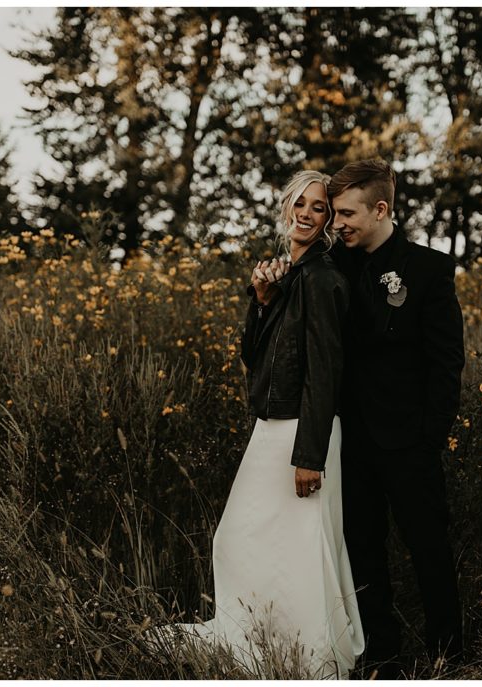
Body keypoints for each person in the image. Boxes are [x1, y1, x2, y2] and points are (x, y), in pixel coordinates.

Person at [143, 170, 364, 679]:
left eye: (320, 210)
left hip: (301, 432)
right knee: (247, 540)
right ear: (286, 207)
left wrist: (308, 457)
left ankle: (311, 655)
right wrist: (261, 301)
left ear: (328, 222)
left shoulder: (325, 279)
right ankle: (264, 640)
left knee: (297, 543)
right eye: (301, 204)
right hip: (273, 424)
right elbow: (254, 356)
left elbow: (326, 371)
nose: (308, 214)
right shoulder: (289, 274)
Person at [328, 159, 465, 678]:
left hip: (409, 439)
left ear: (381, 209)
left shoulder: (429, 269)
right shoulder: (331, 266)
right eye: (335, 213)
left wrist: (431, 435)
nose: (337, 224)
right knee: (362, 549)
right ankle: (381, 653)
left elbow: (446, 359)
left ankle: (448, 654)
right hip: (349, 439)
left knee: (428, 545)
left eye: (347, 213)